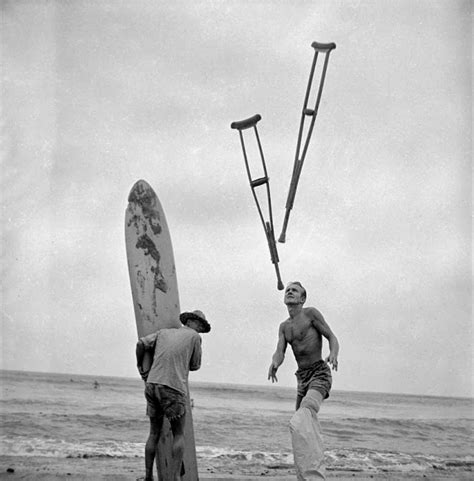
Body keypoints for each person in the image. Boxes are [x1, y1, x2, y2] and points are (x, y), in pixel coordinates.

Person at [268, 282, 339, 480]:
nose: (289, 291)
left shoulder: (311, 315)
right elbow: (279, 351)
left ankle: (316, 476)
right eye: (288, 290)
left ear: (302, 299)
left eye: (295, 290)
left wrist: (333, 353)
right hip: (302, 379)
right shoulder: (284, 327)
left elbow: (332, 337)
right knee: (299, 429)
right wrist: (275, 363)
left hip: (319, 373)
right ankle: (304, 476)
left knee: (305, 415)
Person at [136, 310, 211, 481]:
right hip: (173, 387)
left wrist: (141, 368)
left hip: (152, 384)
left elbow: (140, 344)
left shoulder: (164, 333)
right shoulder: (195, 337)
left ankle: (148, 477)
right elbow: (195, 365)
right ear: (192, 322)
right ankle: (176, 477)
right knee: (178, 434)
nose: (199, 329)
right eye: (200, 325)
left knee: (153, 433)